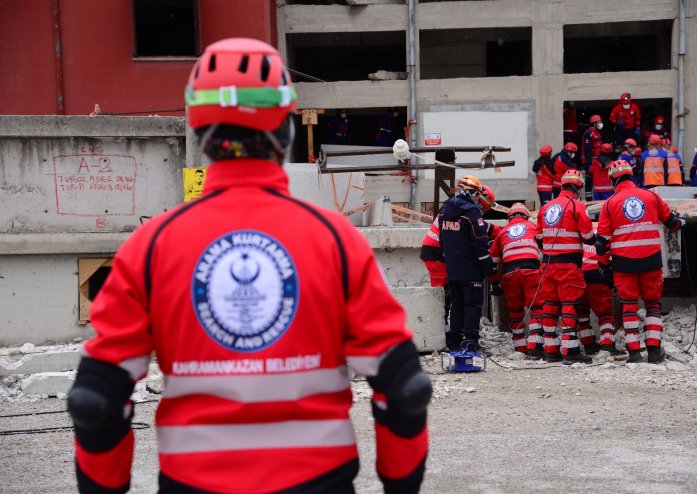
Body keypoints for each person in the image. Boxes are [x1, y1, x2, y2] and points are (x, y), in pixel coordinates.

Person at [67, 38, 430, 494]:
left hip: (192, 482)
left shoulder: (151, 246)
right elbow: (404, 388)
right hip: (320, 481)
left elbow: (96, 399)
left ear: (199, 131)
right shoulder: (336, 242)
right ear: (286, 128)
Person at [596, 160, 682, 363]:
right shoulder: (651, 196)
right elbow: (672, 222)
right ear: (631, 175)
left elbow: (601, 243)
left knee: (629, 306)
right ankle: (654, 351)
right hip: (651, 261)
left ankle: (634, 353)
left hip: (624, 264)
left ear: (612, 179)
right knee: (653, 305)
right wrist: (679, 222)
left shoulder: (610, 203)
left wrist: (603, 264)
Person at [421, 184, 497, 349]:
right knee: (451, 301)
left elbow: (481, 226)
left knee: (455, 301)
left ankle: (454, 341)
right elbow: (478, 237)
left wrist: (500, 230)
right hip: (441, 256)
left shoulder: (451, 207)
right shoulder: (470, 211)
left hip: (445, 256)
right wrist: (488, 267)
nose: (483, 211)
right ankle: (462, 341)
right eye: (483, 208)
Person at [536, 169, 596, 365]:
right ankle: (570, 351)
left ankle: (550, 350)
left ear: (562, 185)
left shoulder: (546, 208)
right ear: (578, 187)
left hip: (547, 265)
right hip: (569, 265)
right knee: (569, 306)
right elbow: (588, 236)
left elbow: (538, 237)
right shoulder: (576, 206)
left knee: (550, 306)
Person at [489, 203, 542, 356]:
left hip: (509, 274)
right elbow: (545, 247)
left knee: (515, 311)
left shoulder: (502, 232)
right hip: (531, 272)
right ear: (526, 216)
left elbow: (492, 260)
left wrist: (494, 282)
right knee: (537, 308)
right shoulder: (533, 227)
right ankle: (535, 346)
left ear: (509, 218)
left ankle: (520, 348)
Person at [578, 230, 622, 355]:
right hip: (596, 274)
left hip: (579, 274)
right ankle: (607, 343)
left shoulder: (582, 232)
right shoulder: (607, 232)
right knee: (605, 314)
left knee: (582, 313)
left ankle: (588, 344)